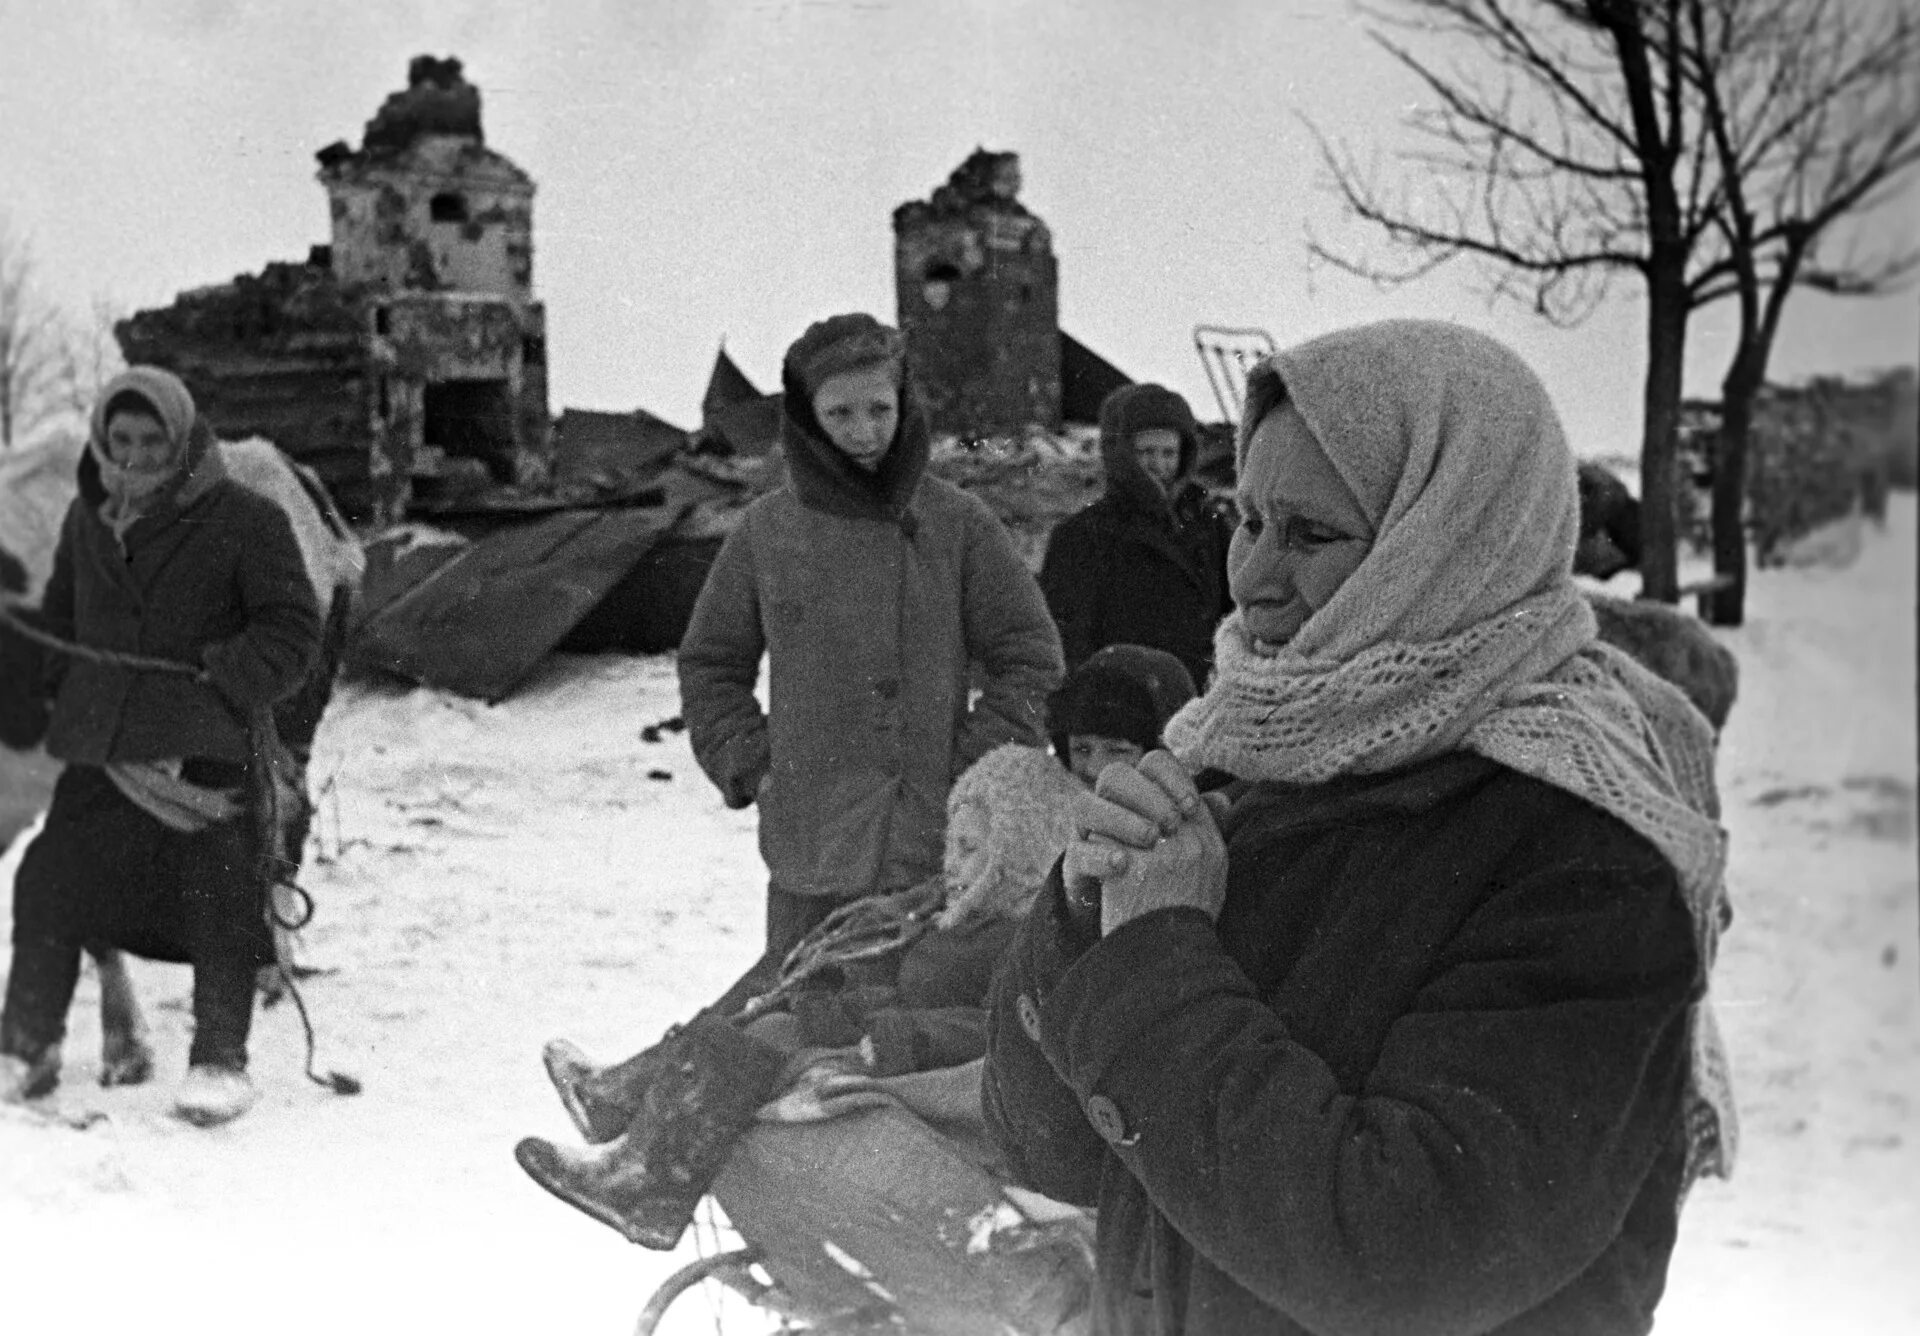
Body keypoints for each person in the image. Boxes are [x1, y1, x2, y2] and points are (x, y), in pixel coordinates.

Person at [982, 321, 1737, 1336]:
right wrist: (1081, 919)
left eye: (1309, 534)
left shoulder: (1587, 852)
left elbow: (1408, 1257)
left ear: (1453, 543)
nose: (1249, 577)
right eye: (1243, 519)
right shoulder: (1239, 753)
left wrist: (1158, 959)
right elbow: (1054, 1151)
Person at [514, 644, 1201, 1249]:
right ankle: (638, 1133)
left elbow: (1013, 1003)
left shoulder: (1111, 866)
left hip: (970, 1064)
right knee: (780, 994)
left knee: (774, 1033)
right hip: (923, 1010)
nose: (1099, 771)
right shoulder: (1038, 836)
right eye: (1084, 752)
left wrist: (890, 1028)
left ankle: (648, 1174)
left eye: (1121, 752)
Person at [676, 312, 1064, 1013]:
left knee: (900, 1037)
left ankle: (639, 1094)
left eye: (879, 409)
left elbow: (1031, 659)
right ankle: (652, 1105)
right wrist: (755, 765)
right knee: (792, 1020)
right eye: (840, 413)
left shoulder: (958, 523)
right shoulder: (767, 532)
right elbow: (710, 665)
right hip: (811, 840)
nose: (862, 432)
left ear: (904, 404)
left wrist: (969, 768)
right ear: (806, 416)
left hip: (927, 838)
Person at [0, 368, 322, 1126]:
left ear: (180, 439)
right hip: (104, 744)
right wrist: (54, 672)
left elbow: (292, 633)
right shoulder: (89, 522)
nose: (136, 456)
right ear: (103, 442)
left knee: (218, 886)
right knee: (49, 878)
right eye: (122, 440)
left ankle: (219, 1060)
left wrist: (224, 673)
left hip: (201, 746)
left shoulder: (247, 520)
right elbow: (62, 614)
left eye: (151, 441)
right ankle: (29, 1045)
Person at [1038, 383, 1234, 691]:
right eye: (1146, 452)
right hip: (1123, 709)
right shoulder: (1082, 537)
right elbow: (1066, 647)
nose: (1159, 466)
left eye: (1169, 453)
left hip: (1200, 705)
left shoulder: (1211, 528)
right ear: (1123, 456)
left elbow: (1235, 617)